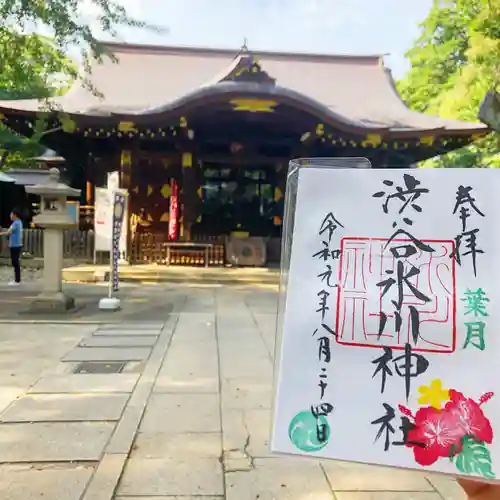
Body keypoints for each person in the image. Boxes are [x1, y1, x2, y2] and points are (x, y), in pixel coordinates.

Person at [0, 209, 23, 285]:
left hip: (15, 245)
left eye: (11, 214)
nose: (10, 216)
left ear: (15, 215)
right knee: (15, 262)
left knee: (15, 262)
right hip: (17, 244)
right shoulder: (19, 222)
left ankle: (17, 280)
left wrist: (1, 233)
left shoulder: (15, 223)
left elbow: (8, 232)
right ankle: (17, 279)